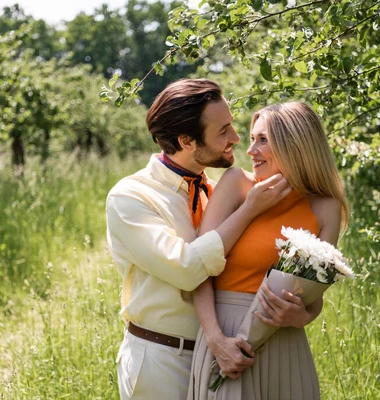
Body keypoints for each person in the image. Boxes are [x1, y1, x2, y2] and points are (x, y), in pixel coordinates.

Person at [105, 79, 292, 400]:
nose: (236, 139)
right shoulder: (131, 198)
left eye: (232, 126)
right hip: (162, 361)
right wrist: (247, 211)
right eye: (223, 131)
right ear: (186, 140)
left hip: (219, 359)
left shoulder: (217, 192)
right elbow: (188, 268)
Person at [188, 102, 349, 400]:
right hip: (226, 338)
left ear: (295, 144)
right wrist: (216, 340)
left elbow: (315, 298)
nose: (250, 150)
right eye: (252, 139)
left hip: (285, 344)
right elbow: (199, 268)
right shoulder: (236, 184)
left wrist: (301, 316)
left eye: (262, 140)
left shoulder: (326, 207)